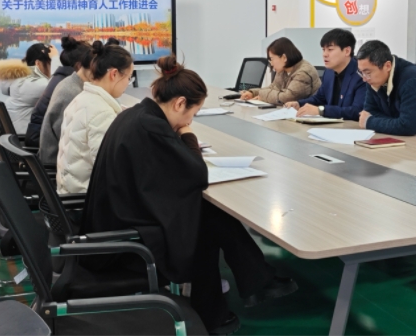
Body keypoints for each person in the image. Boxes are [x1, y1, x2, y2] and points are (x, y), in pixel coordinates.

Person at [79, 55, 298, 334]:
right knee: (204, 221)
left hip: (115, 221)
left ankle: (239, 294)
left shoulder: (138, 115)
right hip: (124, 243)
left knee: (205, 215)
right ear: (179, 103)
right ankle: (241, 292)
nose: (189, 120)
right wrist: (187, 133)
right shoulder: (151, 126)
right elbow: (197, 173)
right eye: (192, 113)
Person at [56, 42, 134, 193]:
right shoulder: (101, 112)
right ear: (114, 74)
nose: (127, 84)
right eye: (129, 78)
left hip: (70, 192)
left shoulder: (81, 98)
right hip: (84, 200)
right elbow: (111, 169)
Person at [284, 29, 365, 120]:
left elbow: (356, 111)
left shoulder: (361, 74)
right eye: (323, 50)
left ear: (347, 51)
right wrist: (299, 104)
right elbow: (320, 98)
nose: (324, 54)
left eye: (330, 49)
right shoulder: (329, 72)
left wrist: (321, 110)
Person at [25, 36, 89, 147]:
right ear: (79, 66)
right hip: (45, 147)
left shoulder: (59, 79)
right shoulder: (69, 88)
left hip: (38, 139)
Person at [38, 41, 94, 166]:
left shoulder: (66, 81)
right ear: (80, 66)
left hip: (58, 156)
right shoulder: (71, 92)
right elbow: (71, 141)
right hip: (57, 163)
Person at [0, 43, 56, 134]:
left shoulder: (22, 80)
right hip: (25, 137)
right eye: (52, 63)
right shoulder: (34, 84)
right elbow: (59, 87)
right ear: (38, 63)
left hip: (19, 134)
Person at [240, 37, 321, 104]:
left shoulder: (303, 72)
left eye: (272, 59)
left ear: (284, 58)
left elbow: (288, 97)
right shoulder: (283, 70)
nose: (271, 64)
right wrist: (253, 93)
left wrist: (262, 95)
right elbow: (273, 87)